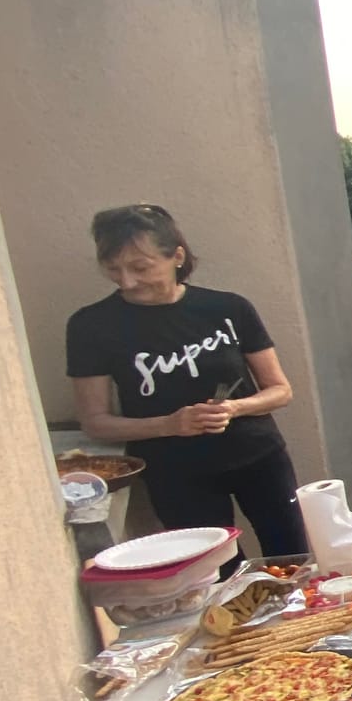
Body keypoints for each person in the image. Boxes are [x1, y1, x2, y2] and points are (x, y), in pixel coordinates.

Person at [67, 204, 307, 556]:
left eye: (140, 267)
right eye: (112, 268)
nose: (127, 281)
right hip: (175, 473)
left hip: (258, 456)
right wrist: (170, 424)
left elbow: (280, 390)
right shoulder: (90, 325)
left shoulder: (228, 309)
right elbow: (96, 423)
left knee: (292, 554)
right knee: (213, 571)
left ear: (177, 256)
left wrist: (234, 408)